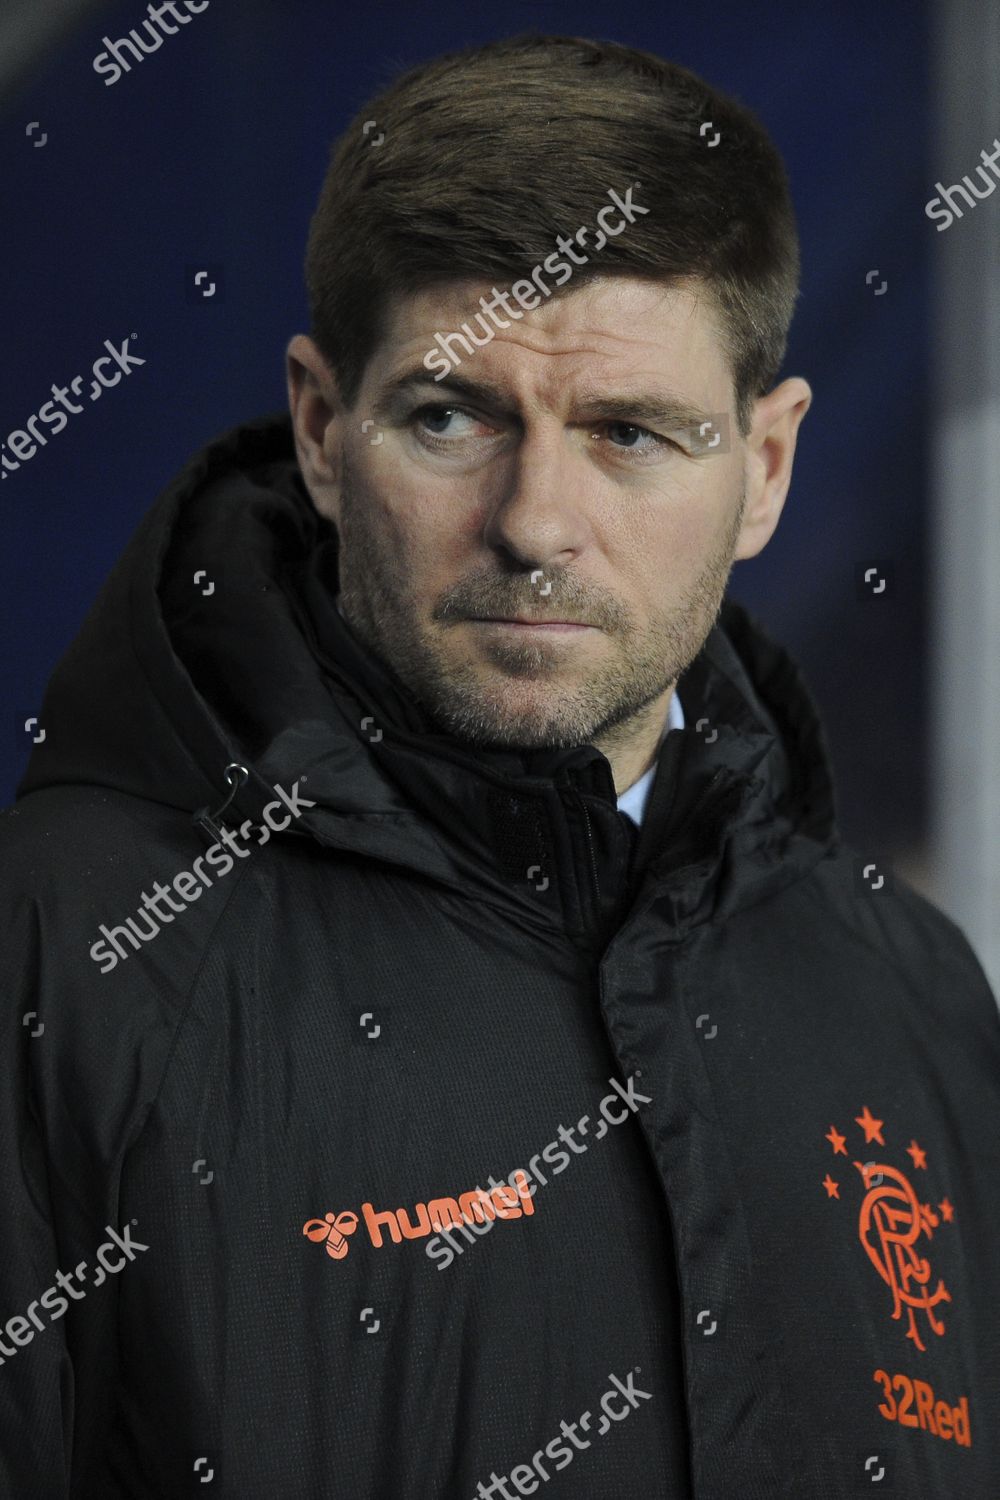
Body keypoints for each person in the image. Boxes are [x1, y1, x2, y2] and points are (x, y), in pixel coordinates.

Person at [2, 31, 998, 1500]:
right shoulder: (58, 958)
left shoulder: (914, 995)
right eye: (451, 417)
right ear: (324, 430)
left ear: (767, 470)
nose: (537, 523)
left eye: (632, 433)